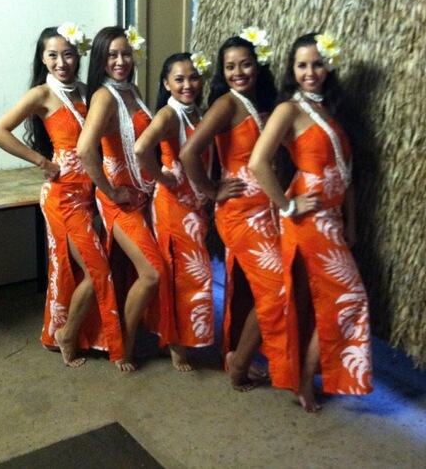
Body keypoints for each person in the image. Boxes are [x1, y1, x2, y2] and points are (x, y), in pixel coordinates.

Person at [249, 32, 373, 412]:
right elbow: (257, 163)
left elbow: (345, 175)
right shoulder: (289, 109)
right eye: (302, 65)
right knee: (351, 298)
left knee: (325, 300)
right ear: (292, 69)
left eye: (317, 64)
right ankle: (304, 378)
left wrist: (351, 222)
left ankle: (304, 375)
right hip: (309, 220)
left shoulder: (331, 110)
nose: (310, 72)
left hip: (332, 219)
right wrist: (287, 206)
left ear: (328, 67)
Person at [0, 23, 124, 367]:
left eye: (68, 54)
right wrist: (42, 162)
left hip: (89, 194)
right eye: (53, 55)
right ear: (43, 58)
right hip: (62, 198)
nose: (61, 62)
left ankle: (72, 333)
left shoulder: (87, 91)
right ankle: (67, 333)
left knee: (80, 269)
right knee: (97, 270)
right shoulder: (41, 94)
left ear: (78, 56)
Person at [180, 33, 293, 392]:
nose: (238, 72)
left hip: (267, 211)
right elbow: (188, 154)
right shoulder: (226, 104)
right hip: (240, 213)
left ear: (258, 66)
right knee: (278, 288)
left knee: (258, 288)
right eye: (230, 67)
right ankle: (239, 364)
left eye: (245, 64)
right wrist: (212, 190)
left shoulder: (263, 103)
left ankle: (246, 355)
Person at [76, 25, 172, 372]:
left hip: (141, 195)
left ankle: (138, 335)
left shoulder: (131, 90)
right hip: (120, 203)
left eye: (126, 54)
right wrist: (110, 191)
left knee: (140, 271)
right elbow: (85, 150)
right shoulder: (104, 96)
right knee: (152, 273)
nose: (120, 61)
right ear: (100, 60)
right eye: (112, 55)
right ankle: (123, 346)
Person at [134, 52, 214, 371]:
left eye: (193, 77)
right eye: (179, 79)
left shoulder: (197, 112)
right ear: (166, 84)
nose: (187, 84)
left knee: (193, 274)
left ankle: (184, 335)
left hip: (193, 207)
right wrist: (161, 176)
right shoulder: (169, 114)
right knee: (182, 275)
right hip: (172, 207)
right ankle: (175, 342)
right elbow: (141, 149)